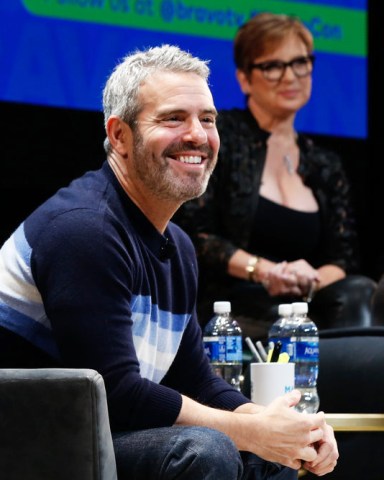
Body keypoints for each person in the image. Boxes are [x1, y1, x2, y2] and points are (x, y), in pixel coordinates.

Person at [0, 44, 338, 479]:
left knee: (267, 453)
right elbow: (117, 394)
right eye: (173, 118)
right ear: (119, 135)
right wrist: (253, 433)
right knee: (207, 449)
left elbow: (196, 381)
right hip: (31, 443)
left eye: (208, 119)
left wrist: (285, 429)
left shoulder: (176, 245)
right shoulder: (84, 228)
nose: (197, 135)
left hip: (94, 435)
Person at [173, 13, 377, 341]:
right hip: (234, 306)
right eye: (272, 66)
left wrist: (304, 280)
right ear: (244, 78)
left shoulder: (325, 163)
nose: (290, 77)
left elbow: (344, 258)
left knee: (360, 292)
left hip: (306, 303)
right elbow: (197, 237)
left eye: (300, 63)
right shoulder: (220, 137)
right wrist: (267, 272)